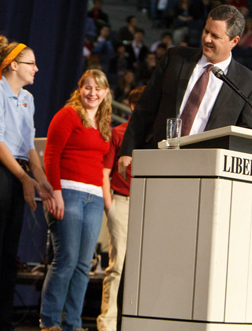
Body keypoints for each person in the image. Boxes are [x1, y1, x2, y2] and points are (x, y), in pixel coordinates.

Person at [0, 36, 55, 331]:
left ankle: (2, 321)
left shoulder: (27, 99)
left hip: (19, 172)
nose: (37, 69)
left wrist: (41, 180)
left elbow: (28, 144)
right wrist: (23, 178)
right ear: (14, 65)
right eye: (31, 64)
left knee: (9, 253)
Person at [118, 5, 252, 177]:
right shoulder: (175, 59)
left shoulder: (247, 82)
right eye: (206, 31)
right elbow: (145, 108)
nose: (207, 39)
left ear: (234, 41)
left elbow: (244, 137)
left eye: (215, 36)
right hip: (158, 161)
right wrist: (128, 149)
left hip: (206, 172)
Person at [40, 69, 112, 331]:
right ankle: (50, 321)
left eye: (98, 89)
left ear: (106, 93)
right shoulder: (68, 114)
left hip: (93, 197)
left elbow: (103, 163)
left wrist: (106, 201)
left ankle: (72, 323)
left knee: (83, 264)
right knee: (66, 259)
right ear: (80, 89)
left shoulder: (104, 122)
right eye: (88, 88)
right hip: (68, 193)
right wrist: (55, 192)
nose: (93, 93)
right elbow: (51, 155)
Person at [97, 86, 145, 331]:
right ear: (134, 107)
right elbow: (105, 172)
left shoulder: (156, 134)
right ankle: (107, 321)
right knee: (117, 265)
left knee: (146, 265)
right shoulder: (118, 133)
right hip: (123, 201)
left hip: (151, 206)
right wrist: (109, 205)